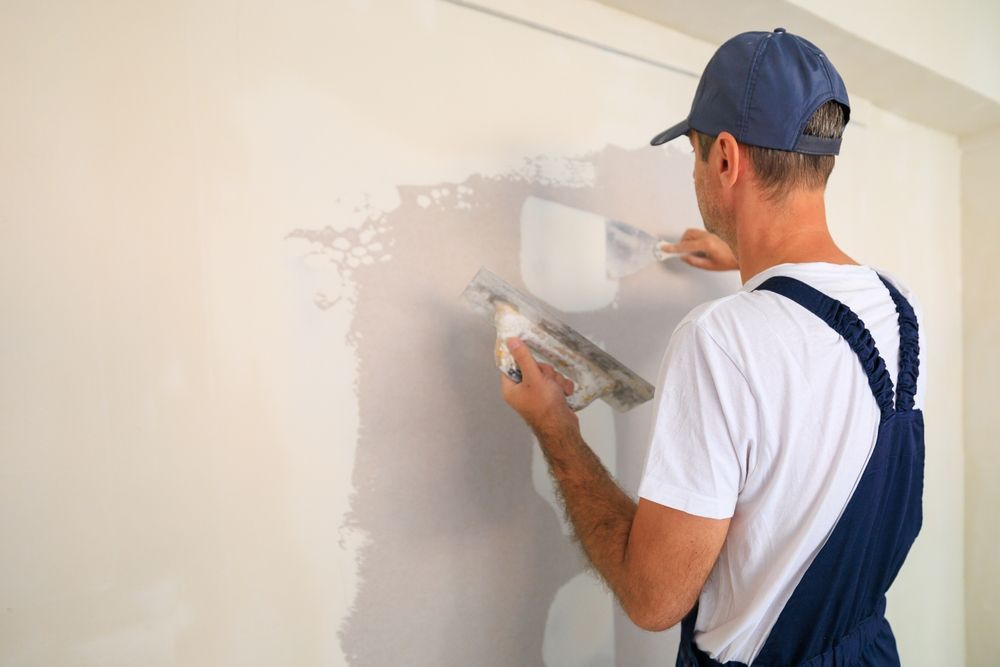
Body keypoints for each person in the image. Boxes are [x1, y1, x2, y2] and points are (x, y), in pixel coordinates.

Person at [500, 28, 925, 666]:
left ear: (725, 157)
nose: (697, 171)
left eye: (696, 154)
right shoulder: (897, 306)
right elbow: (815, 350)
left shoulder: (719, 339)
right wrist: (746, 261)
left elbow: (653, 598)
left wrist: (557, 430)